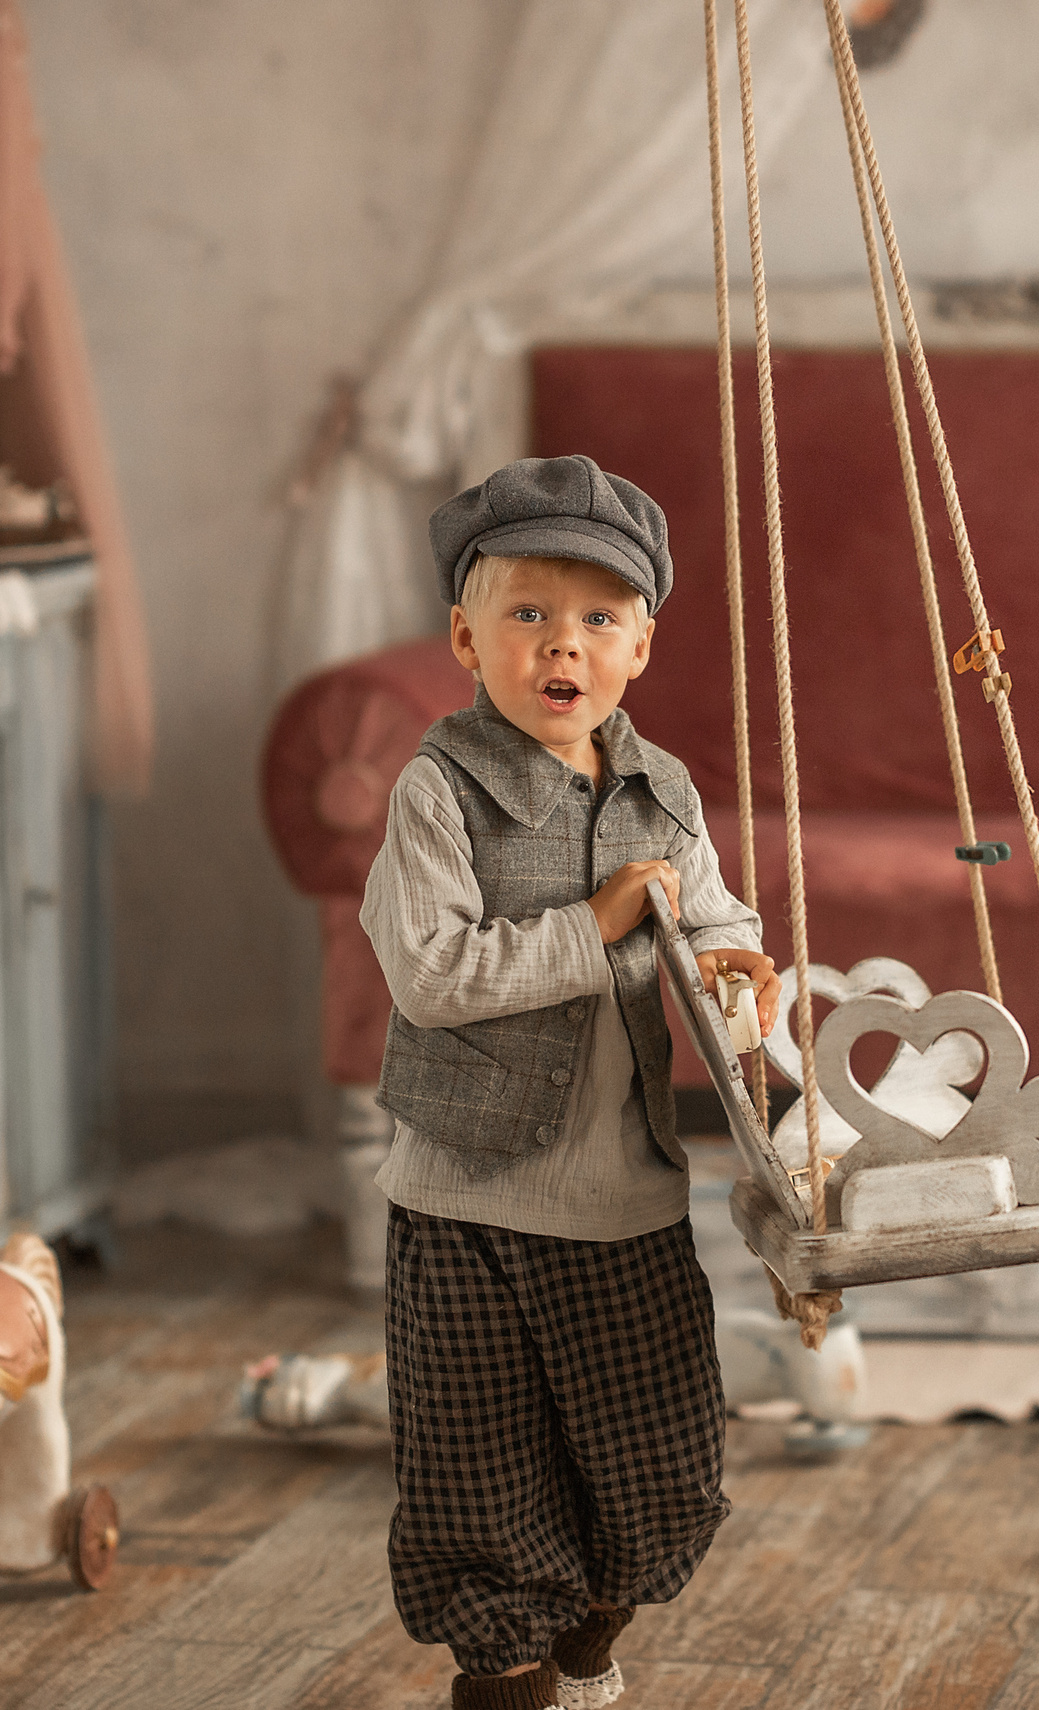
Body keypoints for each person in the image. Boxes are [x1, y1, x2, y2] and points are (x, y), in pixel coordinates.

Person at [361, 455, 782, 1710]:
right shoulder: (439, 790)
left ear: (640, 648)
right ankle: (507, 1681)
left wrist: (737, 967)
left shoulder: (664, 791)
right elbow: (427, 972)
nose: (563, 645)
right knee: (481, 1489)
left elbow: (710, 918)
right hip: (465, 1200)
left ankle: (586, 1654)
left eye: (599, 619)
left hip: (620, 1198)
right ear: (466, 639)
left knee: (660, 1479)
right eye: (530, 614)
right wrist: (590, 927)